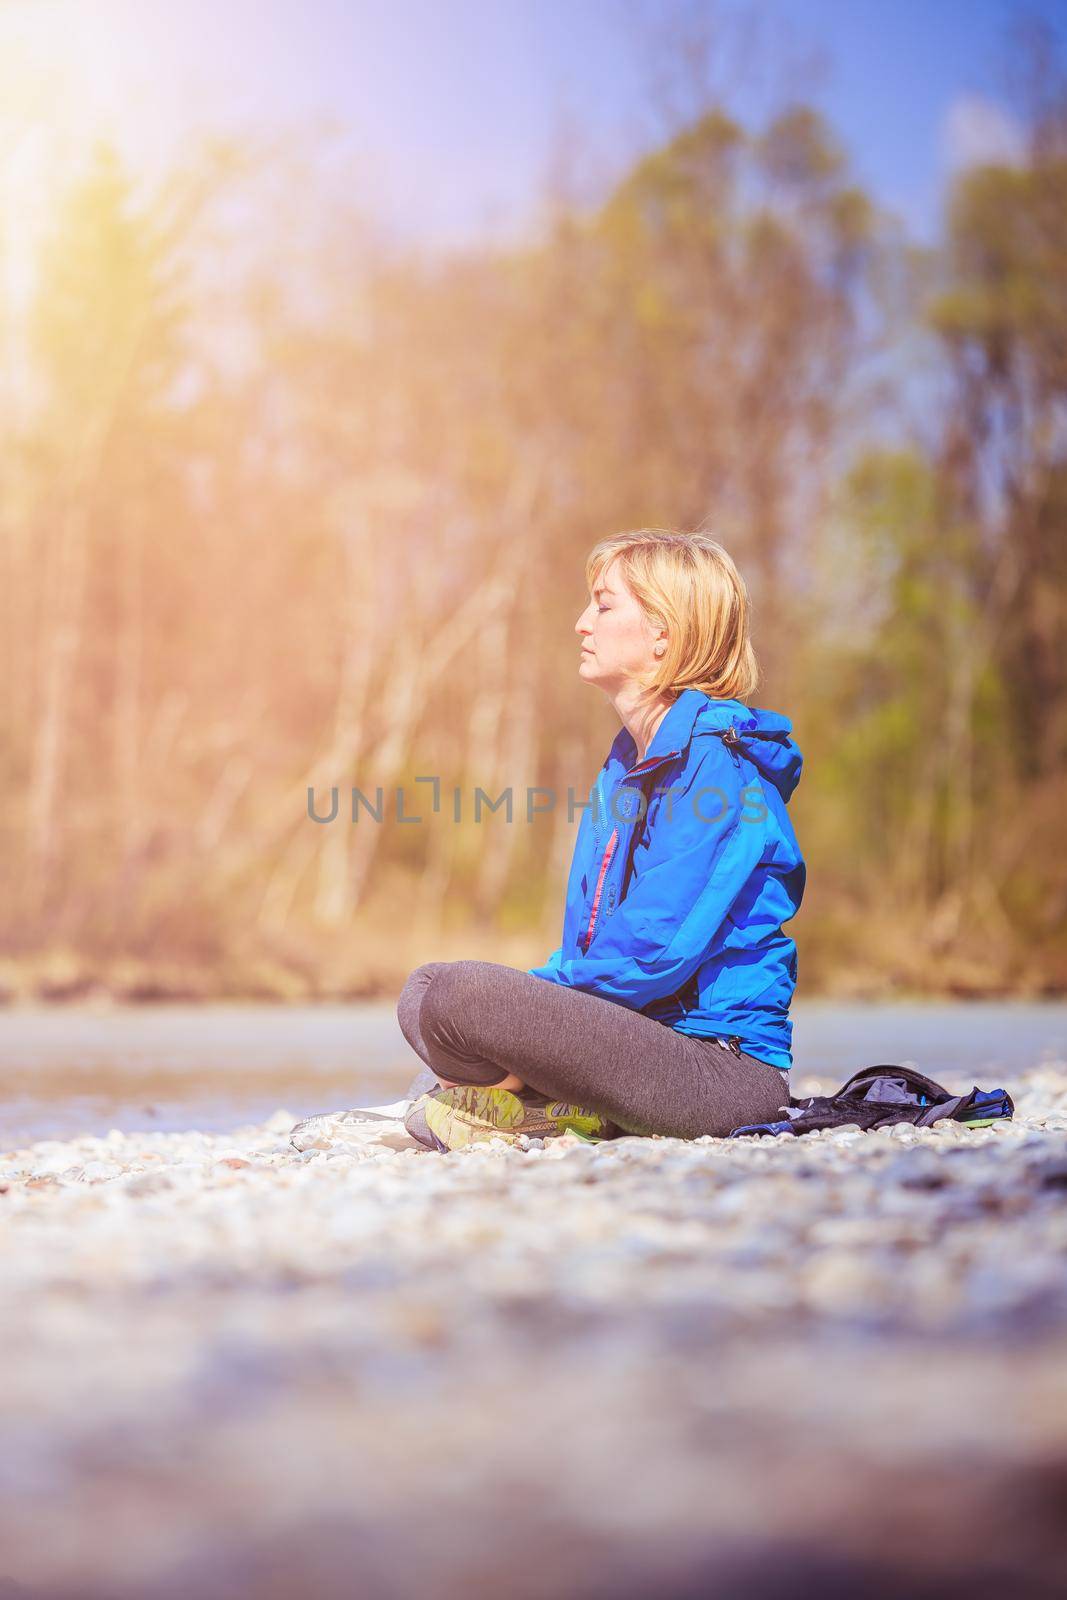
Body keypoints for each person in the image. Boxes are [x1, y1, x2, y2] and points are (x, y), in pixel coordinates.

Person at [395, 529, 805, 1151]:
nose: (582, 624)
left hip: (720, 1072)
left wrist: (528, 1007)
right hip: (643, 1041)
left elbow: (654, 949)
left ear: (664, 633)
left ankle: (532, 1102)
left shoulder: (719, 767)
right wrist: (533, 1016)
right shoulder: (626, 767)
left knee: (456, 997)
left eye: (604, 605)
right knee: (427, 995)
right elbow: (596, 939)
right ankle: (546, 1104)